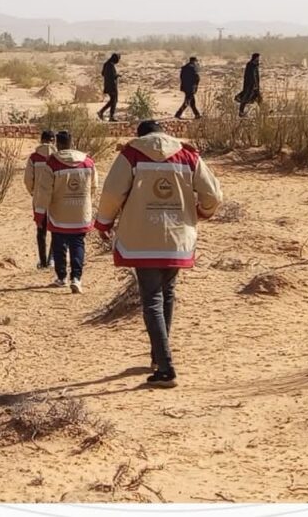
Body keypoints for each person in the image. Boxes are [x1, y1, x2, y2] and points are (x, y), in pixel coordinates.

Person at [93, 120, 222, 388]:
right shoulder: (188, 155)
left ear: (141, 136)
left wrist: (104, 223)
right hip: (176, 237)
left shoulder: (132, 154)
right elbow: (212, 194)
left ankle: (165, 367)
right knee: (168, 293)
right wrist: (202, 212)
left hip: (142, 238)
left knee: (152, 298)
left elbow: (112, 193)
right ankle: (157, 356)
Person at [35, 130, 97, 293]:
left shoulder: (52, 163)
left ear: (58, 144)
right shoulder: (88, 162)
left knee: (59, 244)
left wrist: (40, 213)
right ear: (72, 142)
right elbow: (94, 187)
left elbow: (44, 191)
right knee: (78, 244)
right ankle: (76, 278)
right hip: (81, 213)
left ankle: (62, 277)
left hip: (59, 214)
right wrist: (85, 202)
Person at [23, 130, 56, 269]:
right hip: (55, 199)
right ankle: (52, 259)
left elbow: (27, 179)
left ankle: (42, 261)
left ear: (41, 140)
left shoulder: (34, 157)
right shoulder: (58, 157)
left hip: (39, 198)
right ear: (54, 141)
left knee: (40, 229)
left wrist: (33, 192)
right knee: (56, 229)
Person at [235, 53, 262, 117]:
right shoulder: (250, 65)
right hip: (249, 85)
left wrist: (257, 85)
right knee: (245, 98)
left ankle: (263, 110)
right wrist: (250, 84)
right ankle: (241, 112)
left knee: (259, 98)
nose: (258, 59)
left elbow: (256, 76)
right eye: (257, 57)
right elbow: (248, 76)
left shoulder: (256, 65)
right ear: (255, 58)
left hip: (255, 85)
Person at [97, 53, 121, 122]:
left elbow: (103, 74)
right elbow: (112, 76)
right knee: (114, 100)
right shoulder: (110, 65)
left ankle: (102, 112)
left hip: (107, 85)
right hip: (112, 86)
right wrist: (117, 75)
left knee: (113, 100)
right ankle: (110, 116)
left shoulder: (106, 64)